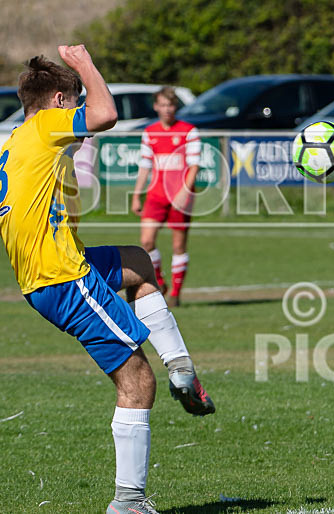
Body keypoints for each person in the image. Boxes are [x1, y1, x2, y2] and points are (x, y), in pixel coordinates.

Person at [0, 48, 213, 514]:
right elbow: (105, 114)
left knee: (138, 261)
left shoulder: (12, 142)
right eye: (71, 101)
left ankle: (181, 367)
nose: (74, 112)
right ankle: (129, 502)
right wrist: (86, 66)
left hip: (51, 270)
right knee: (136, 380)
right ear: (58, 100)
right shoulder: (44, 126)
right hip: (64, 278)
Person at [131, 87, 201, 307]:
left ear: (175, 107)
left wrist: (184, 192)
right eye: (162, 105)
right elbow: (145, 166)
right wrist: (136, 195)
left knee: (178, 246)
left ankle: (176, 294)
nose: (166, 109)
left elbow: (194, 166)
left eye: (170, 105)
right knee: (146, 241)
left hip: (181, 197)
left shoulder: (189, 131)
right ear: (156, 106)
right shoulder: (150, 132)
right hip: (156, 195)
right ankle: (160, 282)